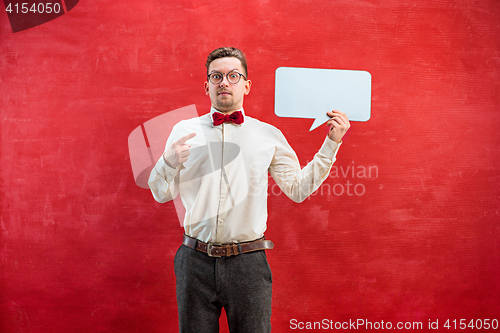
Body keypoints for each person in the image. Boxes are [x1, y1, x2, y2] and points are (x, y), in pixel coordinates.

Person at [148, 47, 350, 333]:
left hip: (248, 264)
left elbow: (297, 189)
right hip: (194, 261)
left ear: (246, 85)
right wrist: (167, 162)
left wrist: (331, 143)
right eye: (216, 76)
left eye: (233, 75)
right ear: (207, 86)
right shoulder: (183, 130)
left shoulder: (268, 135)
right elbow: (161, 193)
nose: (224, 82)